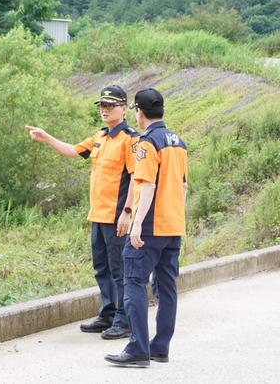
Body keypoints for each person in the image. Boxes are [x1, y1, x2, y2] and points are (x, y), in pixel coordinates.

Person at [26, 85, 138, 340]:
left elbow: (136, 178)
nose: (105, 109)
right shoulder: (100, 137)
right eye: (102, 105)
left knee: (119, 269)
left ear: (123, 108)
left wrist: (128, 212)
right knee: (102, 268)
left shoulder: (130, 139)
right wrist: (46, 137)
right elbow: (73, 151)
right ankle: (108, 313)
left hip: (116, 217)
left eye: (111, 105)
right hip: (97, 215)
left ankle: (125, 319)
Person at [105, 88, 188, 367]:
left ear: (138, 112)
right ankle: (160, 347)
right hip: (174, 225)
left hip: (151, 226)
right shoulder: (179, 142)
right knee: (166, 287)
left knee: (134, 283)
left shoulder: (146, 144)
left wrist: (136, 223)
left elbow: (147, 184)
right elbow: (184, 186)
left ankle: (138, 349)